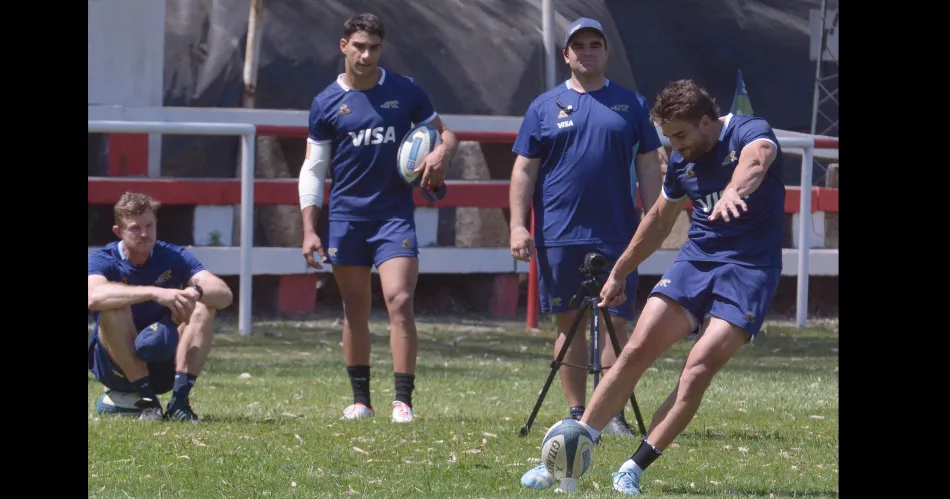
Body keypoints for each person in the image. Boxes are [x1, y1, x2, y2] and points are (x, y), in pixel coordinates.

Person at [521, 78, 786, 494]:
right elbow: (659, 220)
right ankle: (570, 451)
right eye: (669, 137)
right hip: (696, 260)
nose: (674, 147)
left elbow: (758, 159)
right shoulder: (682, 159)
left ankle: (633, 467)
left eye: (680, 135)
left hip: (750, 269)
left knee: (697, 367)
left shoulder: (748, 130)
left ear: (705, 122)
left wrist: (734, 189)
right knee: (636, 350)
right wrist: (619, 271)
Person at [509, 16, 664, 460]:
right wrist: (518, 224)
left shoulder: (631, 104)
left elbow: (649, 164)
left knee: (616, 320)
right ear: (566, 55)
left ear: (606, 52)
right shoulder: (543, 107)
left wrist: (655, 217)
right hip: (559, 232)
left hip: (618, 232)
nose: (588, 52)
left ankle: (610, 412)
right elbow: (524, 169)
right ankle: (577, 411)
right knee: (570, 321)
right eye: (579, 46)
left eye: (596, 44)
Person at [297, 12, 459, 424]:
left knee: (399, 300)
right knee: (354, 307)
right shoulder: (325, 103)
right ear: (343, 46)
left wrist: (441, 152)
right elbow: (314, 169)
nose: (366, 55)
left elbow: (446, 133)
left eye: (374, 48)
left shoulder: (405, 90)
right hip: (347, 218)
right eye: (359, 47)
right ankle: (361, 402)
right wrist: (309, 229)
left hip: (394, 217)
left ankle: (402, 402)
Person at [87, 192, 233, 422]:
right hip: (116, 368)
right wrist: (155, 293)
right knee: (114, 307)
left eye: (149, 225)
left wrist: (195, 292)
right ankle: (149, 403)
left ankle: (179, 404)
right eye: (135, 228)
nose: (145, 234)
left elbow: (224, 295)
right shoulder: (103, 258)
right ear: (119, 232)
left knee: (203, 307)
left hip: (163, 362)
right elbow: (93, 297)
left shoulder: (173, 255)